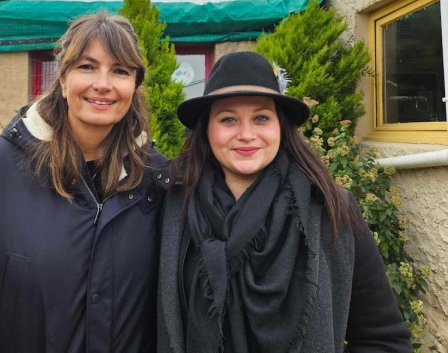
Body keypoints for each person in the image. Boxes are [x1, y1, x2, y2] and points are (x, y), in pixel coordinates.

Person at [0, 12, 170, 353]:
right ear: (62, 80)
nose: (103, 83)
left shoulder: (157, 181)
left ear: (134, 86)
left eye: (120, 70)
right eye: (87, 67)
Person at [157, 51, 411, 352]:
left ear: (281, 126)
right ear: (207, 129)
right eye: (228, 119)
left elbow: (383, 339)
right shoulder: (172, 207)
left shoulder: (330, 209)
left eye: (261, 118)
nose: (247, 134)